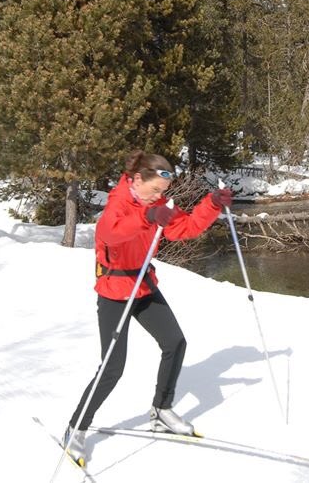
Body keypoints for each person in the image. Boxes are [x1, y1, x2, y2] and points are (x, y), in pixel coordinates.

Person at [63, 150, 233, 464]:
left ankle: (162, 409)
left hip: (143, 285)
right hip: (115, 290)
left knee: (175, 342)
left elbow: (185, 228)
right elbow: (110, 234)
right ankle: (76, 428)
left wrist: (211, 204)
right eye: (155, 190)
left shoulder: (156, 204)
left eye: (162, 192)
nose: (159, 197)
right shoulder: (118, 202)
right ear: (137, 179)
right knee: (113, 368)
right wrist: (146, 218)